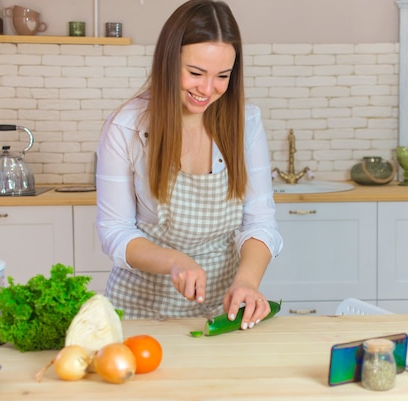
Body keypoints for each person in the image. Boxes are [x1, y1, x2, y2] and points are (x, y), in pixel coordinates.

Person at [96, 0, 282, 329]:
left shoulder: (245, 123)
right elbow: (114, 231)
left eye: (222, 76)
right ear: (168, 62)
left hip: (223, 306)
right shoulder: (127, 126)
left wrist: (248, 283)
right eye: (195, 73)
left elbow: (259, 222)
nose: (207, 90)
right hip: (140, 307)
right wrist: (175, 261)